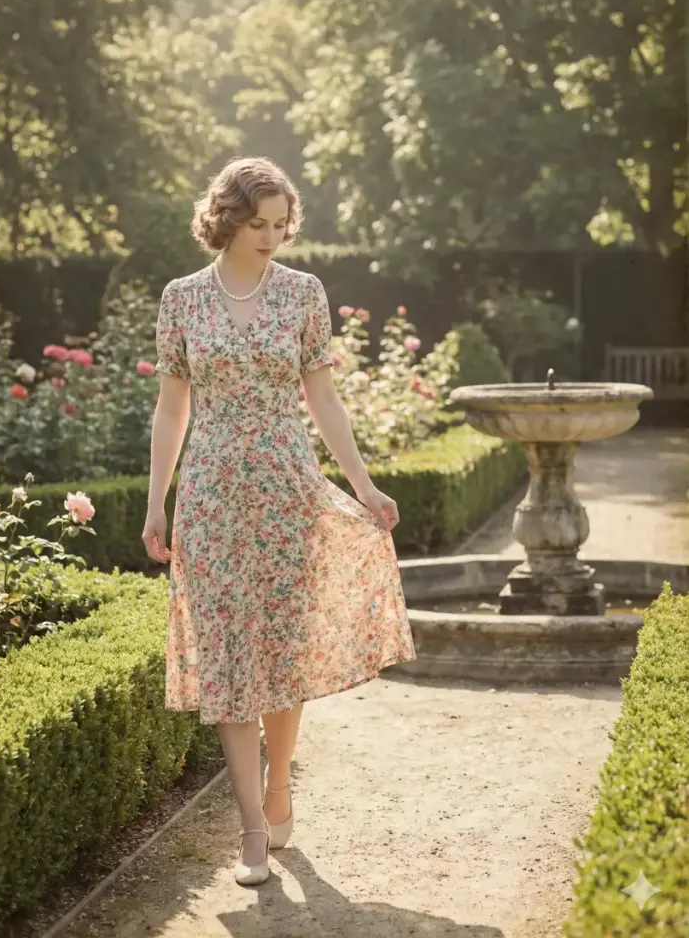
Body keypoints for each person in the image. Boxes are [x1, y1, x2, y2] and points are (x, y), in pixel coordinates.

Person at [142, 156, 416, 887]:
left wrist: (361, 484)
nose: (270, 237)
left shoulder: (302, 293)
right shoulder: (181, 299)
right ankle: (252, 829)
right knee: (230, 658)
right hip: (209, 499)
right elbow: (173, 408)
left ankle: (280, 782)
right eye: (257, 223)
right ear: (226, 219)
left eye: (280, 224)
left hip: (286, 492)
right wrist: (154, 501)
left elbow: (322, 399)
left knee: (281, 649)